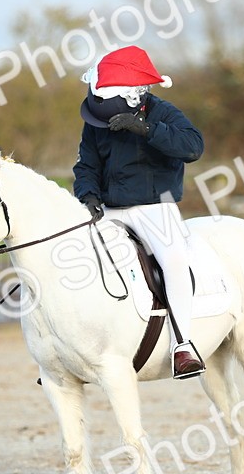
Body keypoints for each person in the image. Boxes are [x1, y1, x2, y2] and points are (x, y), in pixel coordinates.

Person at [72, 46, 206, 378]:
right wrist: (88, 194)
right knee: (77, 259)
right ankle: (73, 348)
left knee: (174, 261)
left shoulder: (164, 112)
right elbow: (86, 164)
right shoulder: (95, 124)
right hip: (111, 209)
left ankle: (183, 346)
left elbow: (193, 147)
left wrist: (146, 129)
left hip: (156, 207)